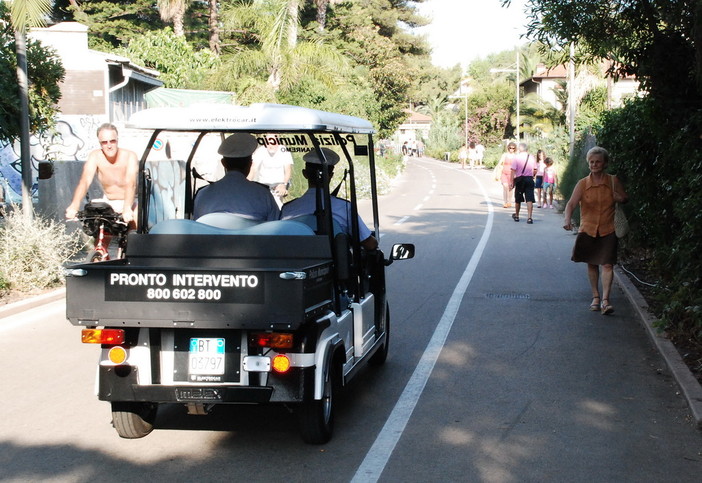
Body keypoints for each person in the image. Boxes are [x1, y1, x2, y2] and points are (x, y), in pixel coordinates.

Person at [563, 146, 628, 315]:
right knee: (592, 263)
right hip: (589, 228)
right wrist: (567, 220)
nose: (594, 164)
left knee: (607, 264)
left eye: (598, 161)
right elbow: (571, 204)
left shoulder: (613, 181)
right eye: (591, 162)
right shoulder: (583, 184)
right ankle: (596, 297)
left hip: (609, 229)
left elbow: (624, 198)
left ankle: (606, 301)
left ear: (605, 163)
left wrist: (619, 198)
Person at [280, 147, 378, 250]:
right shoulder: (344, 208)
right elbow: (370, 244)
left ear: (304, 174)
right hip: (334, 265)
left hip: (297, 265)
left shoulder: (288, 210)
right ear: (331, 175)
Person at [193, 133, 280, 221]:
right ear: (250, 163)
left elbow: (196, 226)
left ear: (223, 163)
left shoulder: (203, 195)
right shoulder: (263, 195)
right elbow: (276, 226)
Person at [65, 123, 138, 225]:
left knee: (136, 224)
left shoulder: (130, 156)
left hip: (130, 201)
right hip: (109, 201)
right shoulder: (95, 156)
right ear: (100, 143)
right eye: (104, 142)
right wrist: (74, 205)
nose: (109, 145)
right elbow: (85, 181)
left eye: (112, 141)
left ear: (117, 140)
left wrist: (127, 208)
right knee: (99, 229)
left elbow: (131, 183)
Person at [248, 135, 293, 208]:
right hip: (263, 186)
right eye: (268, 143)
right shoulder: (260, 151)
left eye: (273, 143)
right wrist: (246, 183)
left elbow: (288, 170)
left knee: (278, 207)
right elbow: (253, 168)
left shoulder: (284, 151)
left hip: (278, 186)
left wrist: (283, 184)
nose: (270, 146)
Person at [510, 142, 537, 224]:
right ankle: (529, 217)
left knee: (518, 198)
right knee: (529, 198)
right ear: (527, 149)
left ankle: (517, 216)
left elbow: (513, 170)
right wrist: (532, 176)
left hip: (519, 179)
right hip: (529, 179)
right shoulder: (531, 157)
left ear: (519, 149)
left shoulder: (516, 157)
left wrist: (512, 182)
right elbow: (535, 169)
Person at [495, 142, 517, 208]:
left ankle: (509, 201)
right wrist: (497, 172)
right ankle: (505, 202)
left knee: (510, 188)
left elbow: (518, 166)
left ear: (515, 149)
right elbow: (500, 163)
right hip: (504, 173)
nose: (511, 149)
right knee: (505, 186)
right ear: (508, 148)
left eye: (513, 148)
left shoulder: (516, 156)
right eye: (510, 148)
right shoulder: (505, 155)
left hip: (512, 174)